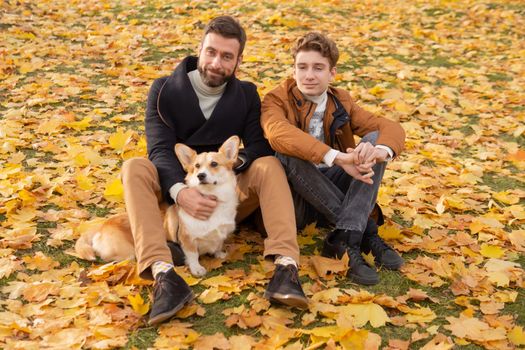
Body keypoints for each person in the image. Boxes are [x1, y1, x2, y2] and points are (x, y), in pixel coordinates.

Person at [122, 16, 307, 326]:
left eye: (226, 57)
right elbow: (159, 151)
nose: (216, 62)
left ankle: (286, 267)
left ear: (238, 61)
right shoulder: (163, 89)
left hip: (227, 195)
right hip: (176, 191)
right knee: (135, 166)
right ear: (200, 49)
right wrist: (183, 194)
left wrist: (226, 176)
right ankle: (163, 273)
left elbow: (258, 147)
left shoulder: (246, 94)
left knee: (269, 164)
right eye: (211, 52)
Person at [261, 32, 406, 286]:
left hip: (331, 189)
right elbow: (277, 134)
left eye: (318, 68)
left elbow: (389, 127)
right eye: (302, 67)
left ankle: (344, 237)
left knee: (374, 140)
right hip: (295, 200)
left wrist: (380, 152)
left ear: (332, 73)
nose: (309, 75)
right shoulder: (277, 98)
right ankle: (363, 231)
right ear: (293, 70)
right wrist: (337, 157)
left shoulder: (340, 100)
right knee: (285, 152)